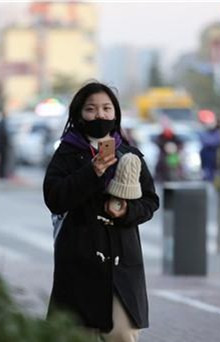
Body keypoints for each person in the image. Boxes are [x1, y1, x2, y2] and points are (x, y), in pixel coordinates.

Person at [43, 82, 159, 342]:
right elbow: (54, 198)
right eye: (91, 109)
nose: (100, 115)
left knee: (121, 333)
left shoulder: (129, 154)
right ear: (78, 114)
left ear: (116, 114)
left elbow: (150, 201)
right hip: (78, 264)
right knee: (76, 334)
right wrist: (91, 172)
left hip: (121, 266)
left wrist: (126, 211)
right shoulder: (67, 153)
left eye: (107, 108)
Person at [0, 112, 14, 179]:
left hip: (2, 145)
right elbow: (3, 135)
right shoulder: (2, 123)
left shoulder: (2, 123)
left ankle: (2, 174)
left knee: (3, 161)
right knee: (3, 160)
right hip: (3, 145)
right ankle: (1, 175)